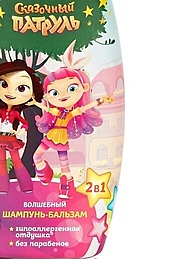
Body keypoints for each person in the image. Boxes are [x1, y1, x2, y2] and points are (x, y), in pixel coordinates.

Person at [33, 41, 112, 198]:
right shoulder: (55, 110)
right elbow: (46, 108)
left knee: (65, 167)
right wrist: (34, 102)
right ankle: (45, 174)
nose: (62, 96)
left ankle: (66, 188)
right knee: (37, 156)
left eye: (72, 88)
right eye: (54, 93)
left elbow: (85, 107)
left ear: (84, 88)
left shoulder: (72, 112)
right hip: (51, 136)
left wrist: (101, 100)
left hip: (61, 136)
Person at [0, 60, 44, 194]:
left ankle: (26, 185)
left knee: (16, 161)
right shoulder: (2, 111)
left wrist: (20, 130)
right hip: (0, 138)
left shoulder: (16, 113)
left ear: (32, 94)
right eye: (3, 84)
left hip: (11, 138)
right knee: (1, 161)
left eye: (21, 88)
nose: (10, 91)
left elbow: (25, 123)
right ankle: (3, 188)